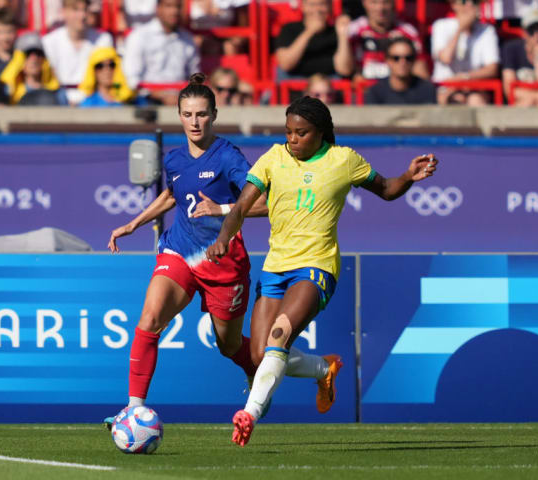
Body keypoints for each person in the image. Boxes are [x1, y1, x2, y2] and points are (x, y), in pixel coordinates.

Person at [206, 96, 438, 446]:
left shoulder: (343, 160)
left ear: (321, 133)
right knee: (258, 355)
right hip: (275, 267)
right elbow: (241, 207)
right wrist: (224, 236)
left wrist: (408, 176)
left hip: (317, 267)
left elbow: (387, 189)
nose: (293, 139)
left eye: (301, 133)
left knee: (279, 336)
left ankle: (248, 414)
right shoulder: (274, 157)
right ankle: (322, 368)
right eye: (288, 132)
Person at [104, 73, 267, 419]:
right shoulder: (175, 160)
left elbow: (266, 202)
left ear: (214, 115)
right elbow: (171, 194)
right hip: (179, 250)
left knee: (230, 345)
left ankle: (256, 369)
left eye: (202, 114)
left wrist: (222, 209)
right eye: (188, 114)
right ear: (179, 115)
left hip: (222, 261)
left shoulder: (228, 157)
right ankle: (134, 410)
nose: (195, 122)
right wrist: (134, 223)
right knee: (149, 318)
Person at [122, 0, 200, 105]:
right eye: (169, 6)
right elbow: (132, 79)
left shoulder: (187, 39)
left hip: (182, 101)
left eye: (178, 6)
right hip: (147, 102)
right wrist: (160, 95)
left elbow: (194, 76)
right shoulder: (139, 36)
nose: (174, 11)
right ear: (158, 8)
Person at [42, 0, 113, 105]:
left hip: (93, 102)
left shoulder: (104, 39)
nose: (82, 15)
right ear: (63, 12)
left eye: (85, 10)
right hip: (59, 101)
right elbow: (50, 79)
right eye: (75, 10)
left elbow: (106, 78)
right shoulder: (49, 41)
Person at [431, 0, 500, 105]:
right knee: (455, 100)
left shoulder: (487, 30)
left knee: (476, 101)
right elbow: (446, 58)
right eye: (464, 1)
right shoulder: (441, 25)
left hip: (473, 88)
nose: (469, 5)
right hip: (445, 88)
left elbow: (492, 69)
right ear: (454, 5)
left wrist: (464, 77)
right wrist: (460, 29)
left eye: (474, 1)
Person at [348, 0, 428, 81]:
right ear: (364, 3)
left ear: (393, 3)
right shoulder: (353, 30)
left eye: (385, 2)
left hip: (397, 90)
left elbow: (421, 75)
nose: (380, 8)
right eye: (374, 2)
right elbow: (344, 70)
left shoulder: (408, 32)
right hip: (362, 89)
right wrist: (342, 38)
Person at [274, 0, 353, 78]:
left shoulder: (336, 31)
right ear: (302, 6)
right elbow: (285, 64)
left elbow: (345, 70)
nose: (317, 9)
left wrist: (342, 35)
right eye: (312, 5)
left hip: (330, 85)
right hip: (294, 84)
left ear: (329, 6)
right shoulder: (289, 29)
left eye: (322, 4)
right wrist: (309, 31)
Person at [0, 33, 67, 105]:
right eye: (28, 54)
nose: (34, 59)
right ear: (18, 60)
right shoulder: (8, 91)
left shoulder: (58, 93)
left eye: (38, 54)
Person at [365, 37, 436, 104]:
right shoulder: (375, 92)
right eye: (396, 58)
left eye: (408, 58)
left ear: (414, 60)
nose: (402, 62)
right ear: (387, 60)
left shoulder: (427, 89)